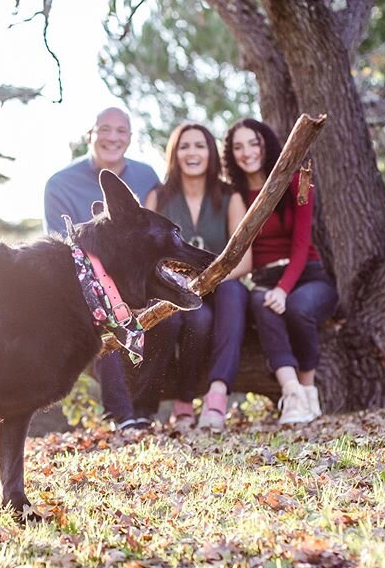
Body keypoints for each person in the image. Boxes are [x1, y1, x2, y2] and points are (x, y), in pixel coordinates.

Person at [44, 107, 160, 430]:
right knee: (101, 314)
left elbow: (151, 238)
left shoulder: (147, 177)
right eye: (104, 129)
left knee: (166, 312)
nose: (113, 137)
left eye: (121, 131)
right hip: (80, 283)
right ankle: (122, 415)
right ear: (89, 135)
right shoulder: (59, 184)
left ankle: (148, 409)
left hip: (134, 281)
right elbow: (64, 247)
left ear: (130, 138)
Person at [134, 122, 251, 431]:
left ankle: (217, 397)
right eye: (185, 146)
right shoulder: (158, 197)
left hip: (218, 289)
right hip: (171, 289)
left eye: (199, 145)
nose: (192, 153)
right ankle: (183, 403)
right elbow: (145, 256)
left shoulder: (230, 196)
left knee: (236, 292)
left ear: (211, 153)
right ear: (174, 153)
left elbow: (244, 260)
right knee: (197, 321)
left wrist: (206, 282)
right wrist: (177, 284)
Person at [223, 118, 338, 424]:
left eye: (253, 143)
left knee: (299, 307)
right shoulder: (235, 197)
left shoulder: (299, 181)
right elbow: (240, 254)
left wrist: (284, 289)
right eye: (238, 147)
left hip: (308, 276)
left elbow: (301, 245)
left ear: (267, 144)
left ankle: (308, 389)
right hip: (264, 279)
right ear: (231, 155)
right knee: (261, 304)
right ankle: (293, 395)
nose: (247, 152)